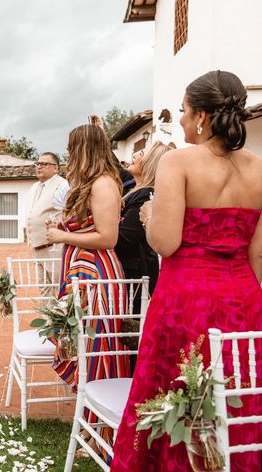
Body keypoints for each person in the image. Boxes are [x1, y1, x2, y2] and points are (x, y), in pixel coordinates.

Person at [111, 71, 262, 471]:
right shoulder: (260, 169)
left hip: (185, 302)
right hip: (244, 300)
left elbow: (165, 243)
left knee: (174, 391)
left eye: (183, 111)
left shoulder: (178, 161)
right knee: (236, 395)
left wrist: (147, 216)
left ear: (200, 117)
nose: (179, 119)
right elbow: (259, 256)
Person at [45, 124, 129, 456]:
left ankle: (101, 432)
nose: (66, 154)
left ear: (84, 148)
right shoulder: (88, 184)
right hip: (80, 271)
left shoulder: (105, 184)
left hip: (98, 276)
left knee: (98, 350)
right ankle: (94, 427)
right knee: (80, 346)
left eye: (70, 148)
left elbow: (108, 238)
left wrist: (64, 236)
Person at [115, 141, 172, 299]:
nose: (135, 155)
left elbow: (124, 238)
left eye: (142, 153)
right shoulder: (135, 190)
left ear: (152, 163)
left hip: (135, 278)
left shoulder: (147, 195)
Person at [26, 152, 68, 274]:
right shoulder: (34, 186)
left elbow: (70, 213)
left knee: (56, 288)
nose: (39, 166)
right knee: (44, 290)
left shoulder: (63, 185)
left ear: (56, 168)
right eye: (38, 163)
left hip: (54, 249)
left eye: (44, 164)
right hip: (37, 249)